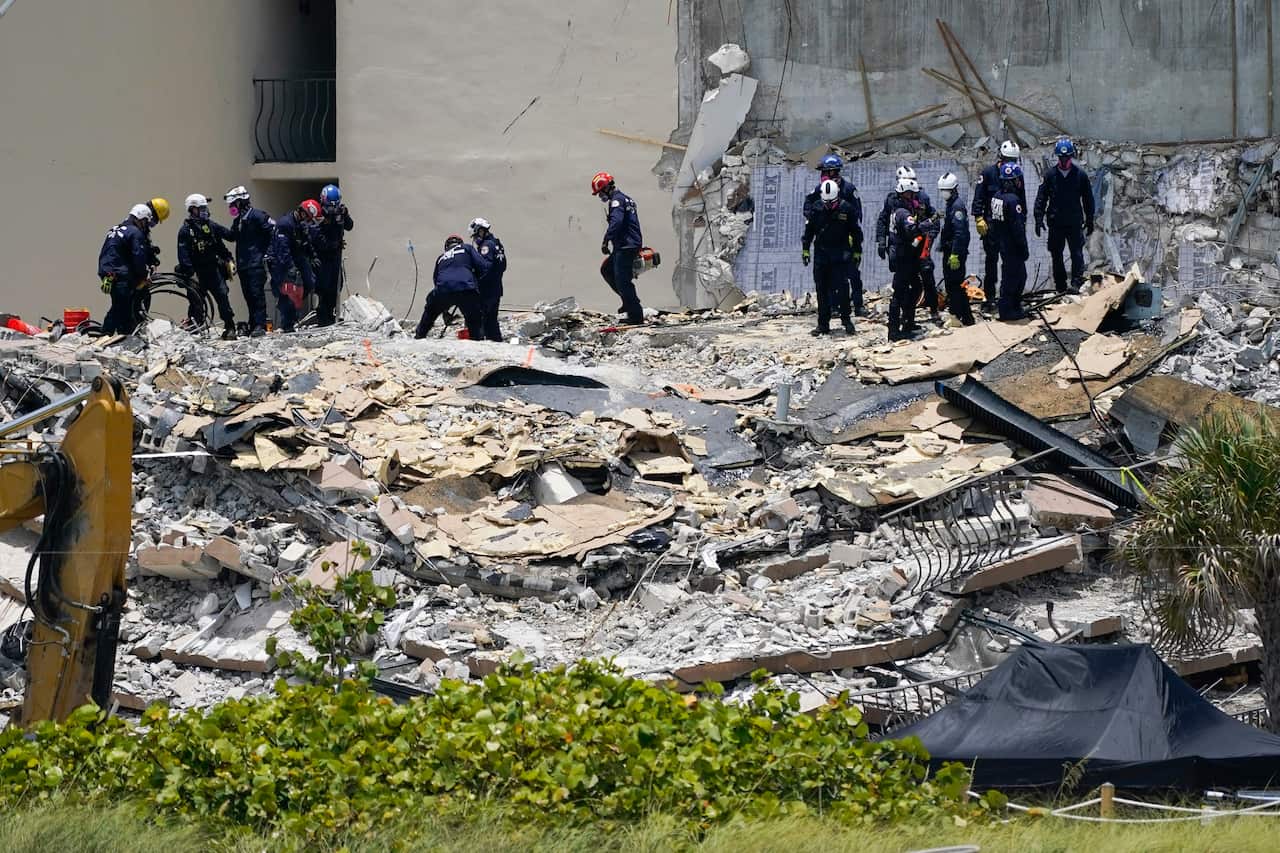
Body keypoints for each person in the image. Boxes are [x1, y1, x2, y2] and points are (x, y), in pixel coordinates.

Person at [804, 154, 866, 316]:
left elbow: (858, 212)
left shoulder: (849, 189)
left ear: (835, 172)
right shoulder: (820, 189)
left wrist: (854, 235)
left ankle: (858, 305)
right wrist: (814, 221)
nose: (824, 176)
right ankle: (833, 307)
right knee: (830, 276)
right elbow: (808, 206)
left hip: (846, 239)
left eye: (828, 172)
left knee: (852, 273)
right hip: (827, 241)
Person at [876, 166, 940, 323]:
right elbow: (883, 220)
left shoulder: (922, 197)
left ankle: (932, 309)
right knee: (904, 285)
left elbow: (933, 222)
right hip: (901, 248)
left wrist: (927, 244)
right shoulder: (893, 201)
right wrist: (881, 241)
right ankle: (904, 319)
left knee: (926, 277)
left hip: (919, 246)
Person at [801, 179, 861, 336]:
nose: (828, 205)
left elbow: (856, 232)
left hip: (840, 254)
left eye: (831, 202)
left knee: (842, 288)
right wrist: (805, 249)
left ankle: (846, 320)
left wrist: (857, 251)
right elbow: (809, 232)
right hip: (821, 254)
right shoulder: (816, 209)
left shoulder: (847, 209)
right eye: (826, 202)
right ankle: (823, 324)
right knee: (821, 290)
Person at [1034, 138, 1095, 294]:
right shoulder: (1050, 175)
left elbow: (1088, 198)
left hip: (1074, 222)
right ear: (1057, 157)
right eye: (1061, 158)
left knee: (1077, 253)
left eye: (1067, 157)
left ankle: (1076, 283)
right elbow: (1041, 197)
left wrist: (1090, 219)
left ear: (1071, 156)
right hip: (1056, 222)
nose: (1064, 160)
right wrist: (1038, 218)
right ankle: (1060, 285)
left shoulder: (1080, 175)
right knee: (1056, 254)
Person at [972, 140, 1026, 310]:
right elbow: (979, 197)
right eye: (1008, 159)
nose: (1010, 164)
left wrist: (1022, 220)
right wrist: (978, 218)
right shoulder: (988, 173)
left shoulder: (1017, 174)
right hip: (991, 226)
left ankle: (1007, 299)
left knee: (1010, 265)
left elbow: (1021, 199)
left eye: (1013, 160)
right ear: (1000, 157)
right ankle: (989, 299)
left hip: (1008, 229)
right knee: (991, 264)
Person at [175, 194, 237, 339]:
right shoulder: (185, 231)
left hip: (213, 271)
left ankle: (230, 327)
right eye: (201, 208)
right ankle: (197, 330)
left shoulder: (211, 225)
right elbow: (183, 255)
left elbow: (228, 238)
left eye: (205, 208)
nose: (205, 211)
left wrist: (228, 259)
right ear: (192, 210)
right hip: (196, 273)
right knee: (196, 303)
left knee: (223, 298)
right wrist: (191, 273)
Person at [98, 202, 163, 335]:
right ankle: (105, 335)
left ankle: (126, 336)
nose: (146, 225)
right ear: (141, 219)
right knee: (120, 306)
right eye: (146, 221)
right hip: (120, 274)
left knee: (125, 306)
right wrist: (144, 277)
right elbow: (138, 257)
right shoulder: (135, 232)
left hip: (108, 272)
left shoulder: (115, 229)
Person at [591, 171, 645, 325]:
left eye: (601, 194)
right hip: (626, 244)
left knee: (623, 281)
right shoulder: (627, 199)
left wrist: (605, 240)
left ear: (607, 188)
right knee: (606, 270)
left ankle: (636, 315)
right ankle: (628, 301)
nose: (602, 197)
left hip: (626, 246)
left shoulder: (616, 201)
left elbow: (616, 222)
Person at [414, 235, 489, 339]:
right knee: (474, 318)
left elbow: (436, 280)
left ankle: (419, 335)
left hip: (443, 290)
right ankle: (477, 340)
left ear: (447, 246)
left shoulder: (441, 257)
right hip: (466, 288)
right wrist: (474, 279)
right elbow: (483, 266)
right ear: (460, 243)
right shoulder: (467, 248)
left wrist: (444, 310)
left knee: (430, 311)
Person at [224, 186, 274, 337]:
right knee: (248, 296)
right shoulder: (238, 221)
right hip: (244, 265)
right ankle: (253, 324)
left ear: (240, 203)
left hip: (256, 264)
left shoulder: (258, 216)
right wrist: (214, 228)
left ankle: (260, 324)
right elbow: (232, 236)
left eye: (233, 205)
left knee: (256, 294)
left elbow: (273, 231)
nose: (232, 208)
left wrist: (269, 254)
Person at [267, 199, 320, 333]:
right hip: (281, 262)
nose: (308, 221)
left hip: (297, 259)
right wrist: (290, 268)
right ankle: (287, 323)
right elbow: (282, 250)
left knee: (309, 282)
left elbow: (306, 242)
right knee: (287, 291)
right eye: (308, 217)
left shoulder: (300, 225)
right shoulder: (285, 224)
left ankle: (292, 314)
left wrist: (313, 256)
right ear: (302, 212)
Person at [886, 179, 926, 342]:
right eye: (912, 194)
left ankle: (908, 322)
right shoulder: (903, 213)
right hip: (903, 258)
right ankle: (895, 331)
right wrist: (925, 224)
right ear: (905, 194)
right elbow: (911, 231)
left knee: (915, 287)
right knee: (901, 292)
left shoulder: (899, 210)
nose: (914, 197)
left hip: (904, 256)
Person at [990, 162, 1030, 322]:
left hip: (1003, 244)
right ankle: (1008, 310)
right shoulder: (1013, 201)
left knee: (1013, 276)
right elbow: (1017, 227)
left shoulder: (997, 197)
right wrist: (1024, 247)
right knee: (1015, 278)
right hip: (1013, 245)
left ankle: (1013, 307)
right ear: (1013, 181)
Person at [936, 173, 975, 327]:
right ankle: (956, 312)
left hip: (955, 252)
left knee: (956, 284)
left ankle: (966, 317)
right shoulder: (951, 204)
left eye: (946, 190)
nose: (943, 192)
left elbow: (960, 233)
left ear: (953, 189)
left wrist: (955, 254)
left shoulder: (957, 206)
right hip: (950, 250)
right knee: (951, 284)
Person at [312, 184, 354, 327]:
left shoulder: (339, 213)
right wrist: (333, 244)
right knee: (323, 287)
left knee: (337, 285)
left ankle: (331, 314)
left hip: (335, 257)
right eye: (330, 206)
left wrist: (345, 215)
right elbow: (317, 237)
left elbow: (349, 226)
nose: (332, 209)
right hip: (323, 257)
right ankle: (323, 317)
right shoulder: (318, 214)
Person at [469, 217, 507, 342]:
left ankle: (482, 344)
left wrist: (476, 280)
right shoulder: (497, 244)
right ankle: (496, 342)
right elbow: (503, 266)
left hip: (487, 289)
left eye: (475, 236)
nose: (475, 240)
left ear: (481, 231)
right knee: (491, 320)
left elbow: (485, 267)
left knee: (482, 319)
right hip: (496, 288)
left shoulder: (487, 246)